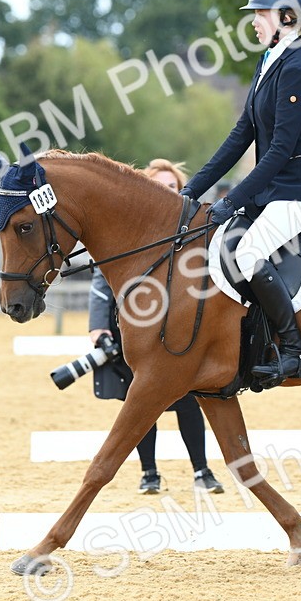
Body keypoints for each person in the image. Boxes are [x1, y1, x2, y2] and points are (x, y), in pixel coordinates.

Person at [180, 0, 301, 382]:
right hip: (277, 188)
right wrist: (194, 189)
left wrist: (233, 198)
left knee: (247, 253)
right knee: (223, 246)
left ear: (287, 16)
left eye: (260, 14)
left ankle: (295, 351)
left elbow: (281, 149)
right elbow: (243, 134)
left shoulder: (298, 66)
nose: (253, 21)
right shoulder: (269, 59)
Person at [90, 158, 225, 495]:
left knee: (189, 402)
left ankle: (202, 471)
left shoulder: (194, 233)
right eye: (160, 186)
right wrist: (98, 328)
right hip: (133, 331)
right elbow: (100, 281)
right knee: (138, 404)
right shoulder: (128, 233)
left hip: (178, 331)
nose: (167, 192)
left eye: (173, 187)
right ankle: (149, 473)